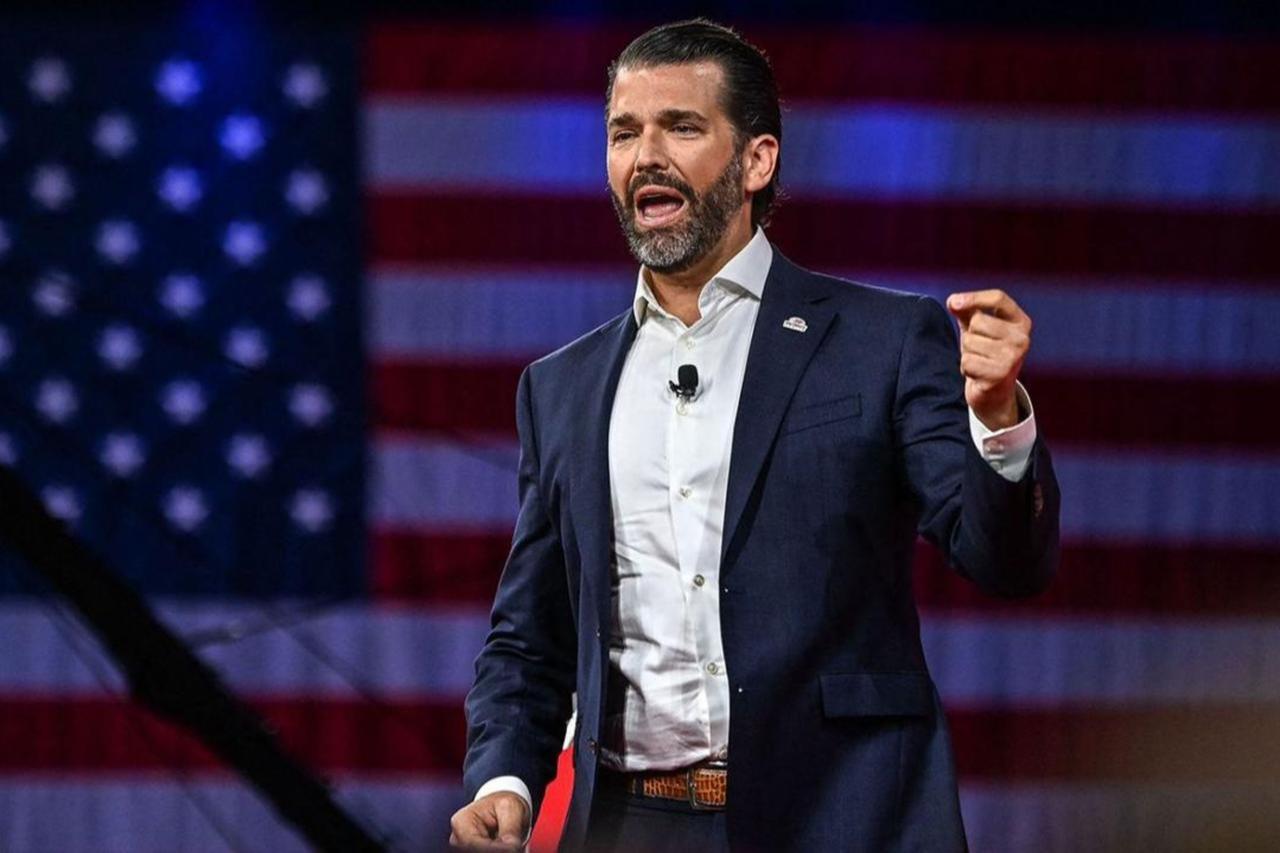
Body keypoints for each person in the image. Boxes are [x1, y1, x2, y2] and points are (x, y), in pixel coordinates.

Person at [449, 18, 1059, 853]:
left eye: (682, 127)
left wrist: (996, 416)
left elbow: (1004, 561)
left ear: (757, 161)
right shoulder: (561, 388)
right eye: (625, 132)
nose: (646, 156)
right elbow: (530, 635)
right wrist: (505, 778)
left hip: (843, 818)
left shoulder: (880, 340)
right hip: (632, 826)